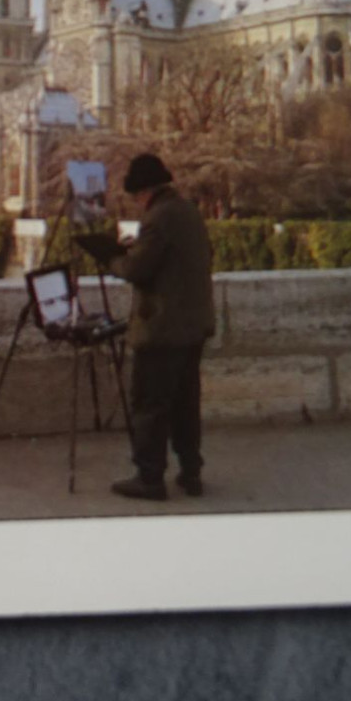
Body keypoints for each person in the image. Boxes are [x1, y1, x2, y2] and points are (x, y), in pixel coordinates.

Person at [107, 153, 216, 501]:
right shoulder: (187, 212)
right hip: (193, 325)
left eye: (135, 197)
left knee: (150, 405)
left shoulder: (158, 218)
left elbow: (138, 271)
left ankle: (149, 477)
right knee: (186, 403)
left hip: (162, 328)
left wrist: (113, 260)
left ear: (144, 192)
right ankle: (191, 472)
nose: (136, 204)